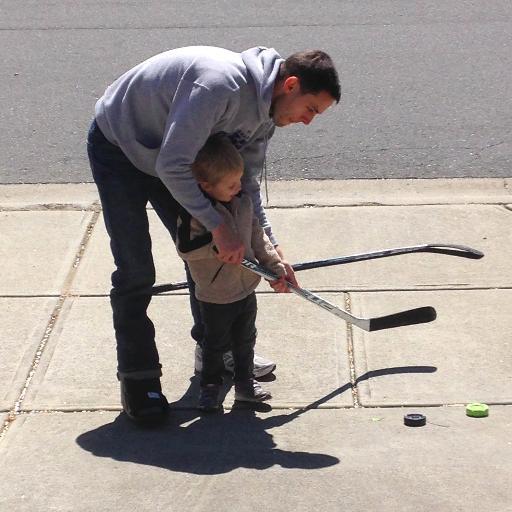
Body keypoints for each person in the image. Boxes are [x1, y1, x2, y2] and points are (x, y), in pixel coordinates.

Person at [87, 45, 340, 423]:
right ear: (290, 85)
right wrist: (219, 227)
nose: (307, 122)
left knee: (206, 253)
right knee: (136, 270)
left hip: (177, 157)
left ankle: (215, 348)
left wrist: (273, 249)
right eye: (311, 110)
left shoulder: (266, 115)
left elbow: (244, 185)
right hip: (122, 147)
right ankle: (139, 381)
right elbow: (172, 165)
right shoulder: (219, 86)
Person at [177, 135, 287, 411]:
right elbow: (186, 251)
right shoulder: (196, 215)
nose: (239, 187)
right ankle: (210, 387)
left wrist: (275, 268)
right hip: (215, 295)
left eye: (239, 181)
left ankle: (245, 385)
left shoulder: (243, 203)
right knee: (214, 345)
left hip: (246, 288)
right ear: (206, 186)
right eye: (231, 184)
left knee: (246, 339)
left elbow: (257, 238)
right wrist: (216, 246)